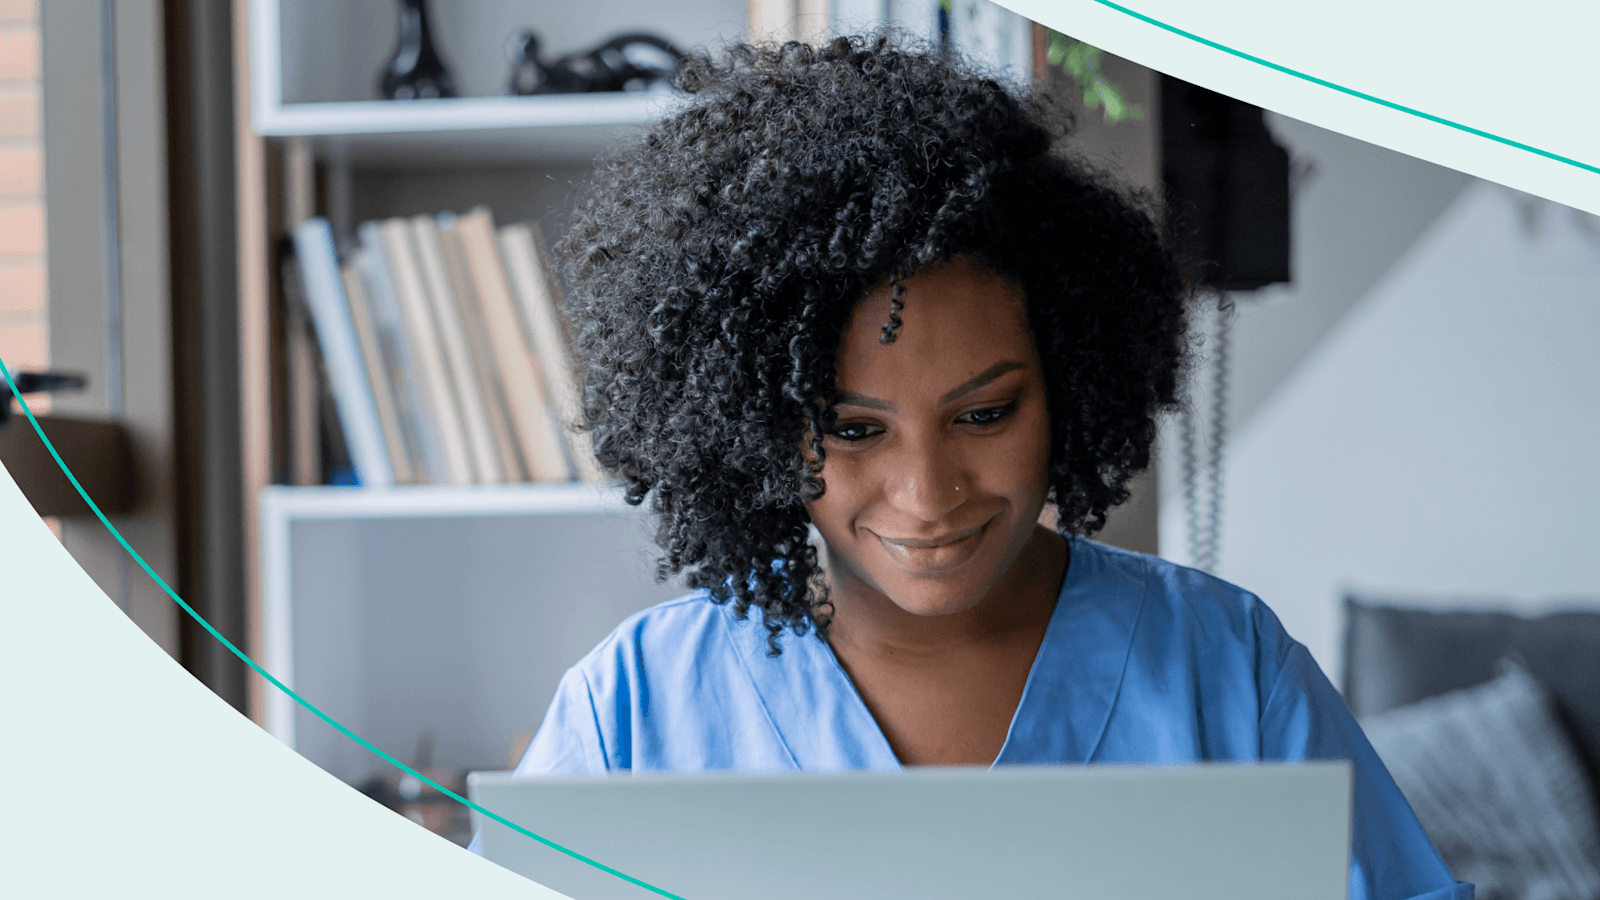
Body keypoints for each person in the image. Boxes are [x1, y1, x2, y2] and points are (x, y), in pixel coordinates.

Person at [505, 33, 1472, 900]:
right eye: (852, 428)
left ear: (1072, 385)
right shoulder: (628, 710)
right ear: (753, 421)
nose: (930, 494)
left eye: (985, 412)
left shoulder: (1229, 671)